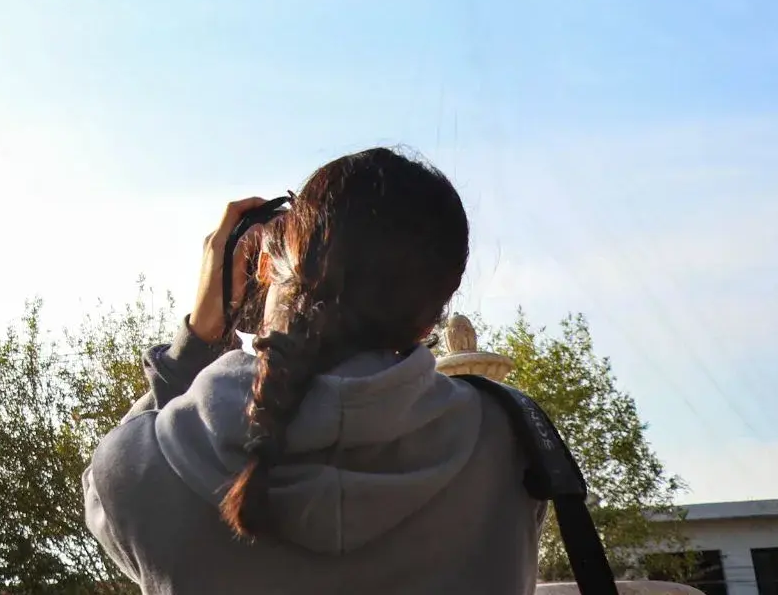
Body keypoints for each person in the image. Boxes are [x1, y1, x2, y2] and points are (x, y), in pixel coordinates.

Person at [83, 147, 544, 594]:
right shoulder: (514, 448)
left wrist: (199, 337)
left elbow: (105, 488)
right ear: (431, 318)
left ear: (265, 264)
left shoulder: (143, 467)